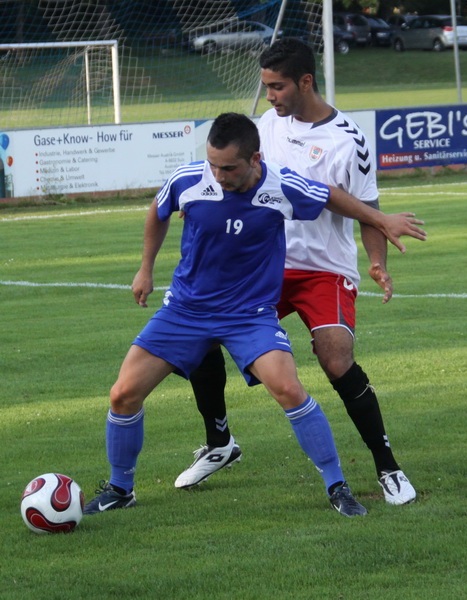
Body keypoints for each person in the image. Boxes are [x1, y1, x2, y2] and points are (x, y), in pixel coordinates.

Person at [84, 113, 425, 518]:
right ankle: (121, 488)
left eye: (228, 168)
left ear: (255, 159)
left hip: (249, 315)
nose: (218, 175)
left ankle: (338, 486)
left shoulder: (281, 186)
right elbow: (158, 212)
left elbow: (331, 196)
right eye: (213, 164)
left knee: (289, 389)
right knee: (122, 394)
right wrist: (145, 268)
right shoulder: (188, 179)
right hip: (186, 311)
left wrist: (381, 219)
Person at [178, 39, 419, 506]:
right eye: (266, 86)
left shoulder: (348, 140)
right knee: (200, 335)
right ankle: (220, 442)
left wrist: (377, 262)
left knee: (335, 358)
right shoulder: (265, 127)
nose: (269, 96)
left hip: (323, 270)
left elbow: (369, 209)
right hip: (263, 266)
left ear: (305, 82)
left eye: (277, 86)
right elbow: (233, 179)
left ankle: (388, 466)